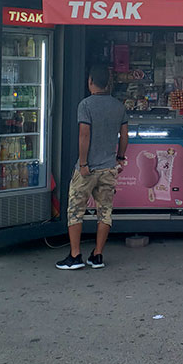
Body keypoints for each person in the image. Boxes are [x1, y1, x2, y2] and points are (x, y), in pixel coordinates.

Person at [56, 65, 128, 271]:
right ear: (108, 83)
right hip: (108, 168)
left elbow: (84, 135)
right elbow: (124, 135)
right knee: (105, 211)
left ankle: (75, 254)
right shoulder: (118, 106)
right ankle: (97, 255)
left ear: (90, 82)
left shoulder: (85, 105)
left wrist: (84, 163)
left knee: (75, 211)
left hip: (87, 169)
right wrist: (120, 158)